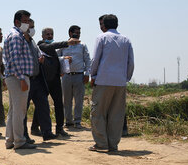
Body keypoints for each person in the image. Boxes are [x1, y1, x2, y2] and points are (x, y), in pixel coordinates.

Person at [89, 14, 134, 152]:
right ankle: (113, 144)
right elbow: (131, 62)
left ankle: (101, 143)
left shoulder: (101, 38)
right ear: (117, 24)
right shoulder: (126, 40)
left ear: (104, 25)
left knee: (98, 113)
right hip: (120, 82)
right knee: (116, 114)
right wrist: (125, 78)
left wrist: (93, 75)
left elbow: (96, 59)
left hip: (103, 80)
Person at [35, 28, 79, 137]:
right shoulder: (41, 45)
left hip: (55, 80)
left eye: (51, 34)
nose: (50, 36)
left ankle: (59, 128)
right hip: (44, 80)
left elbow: (52, 59)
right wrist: (66, 43)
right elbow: (50, 47)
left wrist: (63, 59)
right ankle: (35, 127)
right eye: (47, 34)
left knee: (59, 103)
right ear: (43, 36)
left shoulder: (52, 49)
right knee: (42, 105)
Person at [3, 10, 36, 150]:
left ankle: (10, 140)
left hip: (14, 76)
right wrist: (22, 78)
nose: (28, 24)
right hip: (18, 77)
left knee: (13, 110)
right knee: (19, 111)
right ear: (18, 22)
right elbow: (15, 59)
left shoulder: (16, 35)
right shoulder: (16, 36)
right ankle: (19, 141)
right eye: (26, 21)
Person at [23, 19, 57, 143]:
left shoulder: (32, 42)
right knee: (23, 109)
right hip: (27, 79)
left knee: (44, 107)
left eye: (33, 27)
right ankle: (24, 135)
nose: (32, 30)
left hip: (37, 80)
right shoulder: (21, 42)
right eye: (30, 27)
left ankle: (47, 132)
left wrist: (40, 59)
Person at [58, 25, 91, 129]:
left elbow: (88, 60)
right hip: (66, 76)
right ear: (70, 33)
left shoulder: (82, 45)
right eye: (75, 33)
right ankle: (68, 121)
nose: (77, 35)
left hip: (79, 75)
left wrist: (87, 74)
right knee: (66, 100)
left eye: (79, 33)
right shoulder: (63, 45)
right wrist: (64, 58)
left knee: (79, 100)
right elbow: (56, 56)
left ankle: (77, 121)